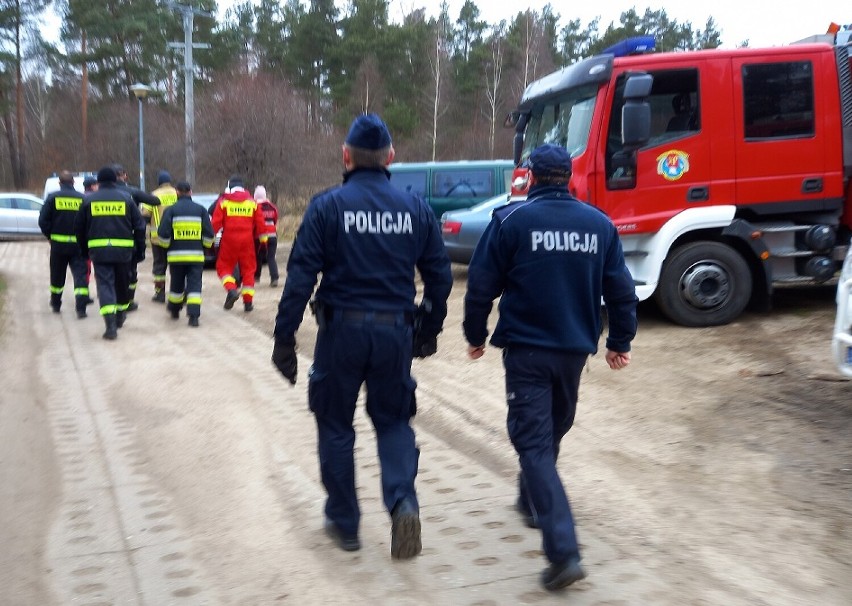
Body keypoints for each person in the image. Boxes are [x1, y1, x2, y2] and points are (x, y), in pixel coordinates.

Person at [271, 113, 453, 558]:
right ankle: (402, 501)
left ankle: (345, 523)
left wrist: (284, 338)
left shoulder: (327, 206)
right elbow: (440, 277)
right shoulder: (415, 208)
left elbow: (300, 278)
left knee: (335, 424)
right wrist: (427, 328)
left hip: (341, 335)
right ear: (391, 157)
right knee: (393, 421)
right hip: (394, 333)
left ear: (346, 156)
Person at [463, 143, 638, 592]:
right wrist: (619, 341)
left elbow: (481, 285)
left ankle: (563, 553)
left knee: (535, 442)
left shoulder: (510, 219)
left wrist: (475, 335)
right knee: (550, 430)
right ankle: (531, 502)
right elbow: (620, 289)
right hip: (573, 352)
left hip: (527, 352)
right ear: (569, 178)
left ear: (532, 178)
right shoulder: (599, 225)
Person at [74, 166, 146, 340]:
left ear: (98, 181)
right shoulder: (126, 199)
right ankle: (120, 315)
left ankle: (110, 326)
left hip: (99, 252)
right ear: (115, 180)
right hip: (123, 252)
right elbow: (140, 226)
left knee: (105, 285)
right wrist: (140, 249)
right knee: (122, 284)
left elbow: (79, 228)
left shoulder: (88, 201)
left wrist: (84, 251)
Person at [156, 181, 215, 327]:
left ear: (177, 192)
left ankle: (175, 310)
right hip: (196, 256)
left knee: (176, 283)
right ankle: (193, 317)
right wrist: (204, 248)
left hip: (176, 256)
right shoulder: (201, 210)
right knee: (195, 286)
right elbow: (209, 234)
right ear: (190, 192)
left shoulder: (171, 210)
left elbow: (162, 234)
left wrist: (166, 247)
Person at [38, 170, 90, 318]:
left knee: (57, 277)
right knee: (80, 276)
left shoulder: (52, 198)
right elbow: (89, 222)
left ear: (60, 183)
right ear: (73, 182)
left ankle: (55, 304)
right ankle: (81, 309)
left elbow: (43, 221)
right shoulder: (82, 199)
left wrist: (50, 236)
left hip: (58, 246)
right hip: (79, 246)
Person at [212, 174, 267, 312]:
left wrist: (208, 240)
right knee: (249, 270)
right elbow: (261, 225)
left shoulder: (223, 202)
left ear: (230, 187)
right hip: (247, 241)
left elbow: (215, 224)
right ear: (243, 188)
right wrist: (263, 243)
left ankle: (231, 290)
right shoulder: (252, 203)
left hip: (229, 241)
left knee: (223, 268)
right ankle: (248, 303)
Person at [113, 164, 160, 310]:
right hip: (128, 239)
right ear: (124, 176)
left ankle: (112, 301)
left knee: (109, 273)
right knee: (130, 272)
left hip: (104, 239)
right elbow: (155, 201)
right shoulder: (132, 192)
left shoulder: (101, 194)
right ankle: (128, 301)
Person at [142, 170, 178, 303]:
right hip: (176, 237)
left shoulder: (153, 195)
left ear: (159, 182)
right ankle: (177, 291)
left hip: (157, 238)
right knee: (176, 266)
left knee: (159, 266)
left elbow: (145, 215)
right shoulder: (177, 193)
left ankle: (160, 293)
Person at [253, 185, 280, 287]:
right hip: (272, 235)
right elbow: (275, 220)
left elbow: (254, 222)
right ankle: (274, 278)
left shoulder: (255, 207)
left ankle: (256, 276)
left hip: (259, 235)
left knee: (258, 256)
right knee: (271, 257)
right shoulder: (272, 207)